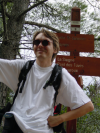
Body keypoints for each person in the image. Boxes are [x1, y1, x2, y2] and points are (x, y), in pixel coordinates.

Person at [0, 29, 94, 133]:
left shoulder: (61, 75)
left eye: (45, 42)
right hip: (14, 127)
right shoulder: (22, 67)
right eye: (36, 42)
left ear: (55, 49)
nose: (40, 45)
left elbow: (87, 106)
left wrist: (60, 118)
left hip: (42, 130)